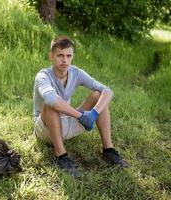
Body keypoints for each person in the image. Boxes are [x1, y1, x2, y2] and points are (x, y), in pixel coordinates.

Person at [33, 36, 129, 177]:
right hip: (45, 129)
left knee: (98, 96)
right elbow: (51, 99)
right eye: (60, 55)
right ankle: (62, 157)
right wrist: (81, 116)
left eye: (68, 56)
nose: (64, 60)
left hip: (66, 124)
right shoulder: (43, 76)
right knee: (50, 105)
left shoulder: (76, 72)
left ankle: (109, 151)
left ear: (72, 57)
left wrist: (94, 114)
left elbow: (107, 91)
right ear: (51, 56)